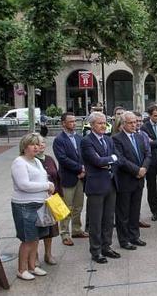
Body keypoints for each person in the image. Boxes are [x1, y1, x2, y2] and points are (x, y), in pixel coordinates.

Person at [11, 133, 55, 280]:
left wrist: (49, 186)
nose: (36, 147)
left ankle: (32, 266)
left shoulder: (36, 161)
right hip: (25, 205)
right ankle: (21, 269)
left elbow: (43, 178)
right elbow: (24, 185)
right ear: (24, 146)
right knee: (27, 239)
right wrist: (46, 185)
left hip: (39, 204)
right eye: (33, 144)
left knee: (36, 237)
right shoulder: (19, 162)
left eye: (38, 144)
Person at [81, 112, 120, 264]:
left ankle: (106, 246)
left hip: (110, 182)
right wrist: (110, 159)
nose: (103, 126)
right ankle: (96, 251)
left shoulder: (109, 140)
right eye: (99, 123)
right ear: (91, 125)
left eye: (105, 123)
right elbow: (97, 161)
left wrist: (109, 161)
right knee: (96, 221)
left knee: (108, 218)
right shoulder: (87, 141)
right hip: (96, 185)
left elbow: (117, 157)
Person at [112, 112, 151, 250]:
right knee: (123, 212)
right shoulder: (117, 139)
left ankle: (134, 236)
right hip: (126, 180)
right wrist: (137, 170)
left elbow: (148, 154)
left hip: (139, 180)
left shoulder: (140, 137)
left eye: (135, 122)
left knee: (135, 210)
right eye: (131, 122)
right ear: (123, 124)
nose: (135, 125)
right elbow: (121, 160)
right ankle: (124, 239)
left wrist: (144, 168)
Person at [52, 112, 88, 246]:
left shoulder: (79, 138)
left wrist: (84, 169)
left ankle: (77, 229)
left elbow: (84, 154)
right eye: (71, 121)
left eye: (75, 121)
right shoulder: (59, 140)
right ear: (63, 123)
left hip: (81, 178)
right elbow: (62, 159)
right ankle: (64, 233)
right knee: (66, 207)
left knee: (78, 206)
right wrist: (80, 168)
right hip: (68, 178)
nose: (74, 123)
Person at [35, 136, 62, 266]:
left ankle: (48, 254)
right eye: (37, 143)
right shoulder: (30, 161)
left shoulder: (50, 159)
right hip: (37, 199)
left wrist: (59, 195)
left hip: (51, 198)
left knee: (51, 228)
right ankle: (34, 256)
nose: (41, 145)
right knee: (36, 228)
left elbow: (57, 177)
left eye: (43, 143)